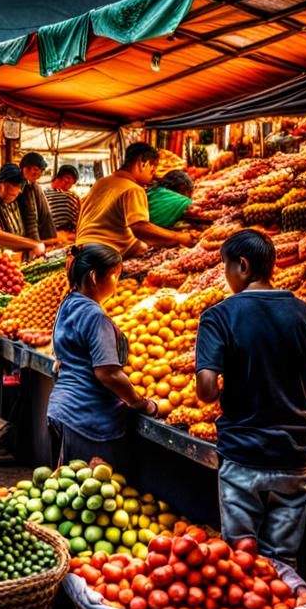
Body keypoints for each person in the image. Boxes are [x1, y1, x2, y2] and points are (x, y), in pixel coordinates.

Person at [196, 230, 306, 564]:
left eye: (226, 267)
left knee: (240, 559)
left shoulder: (217, 316)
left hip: (243, 452)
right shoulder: (305, 313)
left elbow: (206, 390)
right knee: (283, 559)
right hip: (292, 454)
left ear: (243, 265)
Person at [47, 244, 158, 463]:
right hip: (87, 417)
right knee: (87, 489)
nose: (117, 283)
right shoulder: (96, 317)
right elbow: (108, 373)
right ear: (95, 277)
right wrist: (142, 403)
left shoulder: (67, 304)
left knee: (65, 485)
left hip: (61, 408)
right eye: (115, 276)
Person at [76, 143, 194, 257]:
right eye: (152, 171)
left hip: (81, 249)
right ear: (143, 163)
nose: (151, 177)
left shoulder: (101, 183)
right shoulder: (133, 189)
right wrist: (178, 237)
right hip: (105, 256)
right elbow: (140, 228)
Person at [0, 164, 46, 258]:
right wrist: (32, 244)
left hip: (18, 256)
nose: (11, 198)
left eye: (15, 195)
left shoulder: (16, 198)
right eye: (9, 194)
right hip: (0, 260)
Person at [17, 152, 58, 243]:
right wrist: (36, 243)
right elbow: (30, 218)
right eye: (29, 168)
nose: (34, 172)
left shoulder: (33, 185)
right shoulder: (24, 188)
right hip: (36, 241)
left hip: (44, 239)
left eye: (37, 169)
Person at [44, 165, 82, 233]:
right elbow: (80, 220)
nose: (71, 187)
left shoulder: (43, 192)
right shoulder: (71, 196)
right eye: (72, 183)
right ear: (67, 179)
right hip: (66, 234)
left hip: (47, 234)